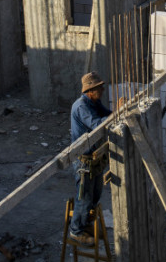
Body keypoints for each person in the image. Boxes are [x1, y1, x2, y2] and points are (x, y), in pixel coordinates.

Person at [69, 72, 113, 246]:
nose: (102, 90)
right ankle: (76, 231)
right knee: (85, 197)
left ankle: (86, 224)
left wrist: (117, 111)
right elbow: (97, 125)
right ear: (90, 90)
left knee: (95, 195)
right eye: (99, 88)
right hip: (83, 159)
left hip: (94, 157)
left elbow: (107, 114)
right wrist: (113, 116)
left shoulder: (94, 102)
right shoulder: (81, 106)